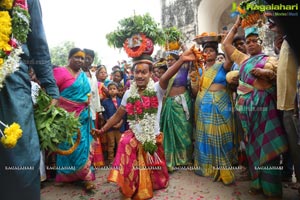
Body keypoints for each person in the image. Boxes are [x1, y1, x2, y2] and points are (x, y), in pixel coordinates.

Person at [93, 47, 199, 199]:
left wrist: (181, 60)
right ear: (132, 74)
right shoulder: (129, 93)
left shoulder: (157, 89)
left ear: (151, 74)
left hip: (152, 136)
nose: (140, 75)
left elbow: (166, 77)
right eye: (137, 72)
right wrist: (102, 130)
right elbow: (118, 115)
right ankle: (130, 186)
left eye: (144, 72)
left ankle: (146, 182)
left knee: (156, 177)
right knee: (125, 141)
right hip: (135, 134)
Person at [223, 16, 288, 198]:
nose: (250, 44)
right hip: (246, 113)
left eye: (254, 41)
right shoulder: (243, 59)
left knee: (267, 145)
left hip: (266, 111)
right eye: (248, 41)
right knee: (252, 147)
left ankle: (272, 189)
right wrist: (237, 25)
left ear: (261, 42)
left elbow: (276, 76)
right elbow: (226, 44)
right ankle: (257, 183)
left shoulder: (271, 59)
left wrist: (264, 73)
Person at [0, 0, 59, 199]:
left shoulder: (26, 1)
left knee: (20, 162)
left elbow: (38, 45)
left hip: (12, 81)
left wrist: (50, 87)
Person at [191, 34, 236, 185]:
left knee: (222, 136)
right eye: (206, 51)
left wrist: (225, 42)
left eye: (211, 50)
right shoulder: (200, 70)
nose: (208, 53)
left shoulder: (222, 66)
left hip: (221, 104)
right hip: (204, 105)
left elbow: (230, 58)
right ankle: (208, 166)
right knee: (207, 136)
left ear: (216, 53)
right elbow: (196, 91)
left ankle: (224, 166)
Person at [53, 48, 96, 191]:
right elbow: (51, 93)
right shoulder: (59, 72)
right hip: (64, 118)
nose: (80, 60)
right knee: (65, 146)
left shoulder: (83, 75)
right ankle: (64, 176)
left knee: (83, 145)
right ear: (69, 58)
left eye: (82, 58)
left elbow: (86, 94)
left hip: (82, 117)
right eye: (76, 57)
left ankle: (86, 177)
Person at [268, 16, 300, 191]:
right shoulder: (286, 41)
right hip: (285, 104)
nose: (273, 26)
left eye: (275, 21)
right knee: (293, 147)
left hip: (293, 103)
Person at [160, 51, 193, 172]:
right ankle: (172, 160)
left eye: (171, 59)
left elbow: (191, 54)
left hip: (183, 103)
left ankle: (185, 159)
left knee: (185, 129)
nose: (169, 61)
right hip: (170, 103)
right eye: (167, 59)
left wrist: (181, 46)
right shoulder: (166, 72)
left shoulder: (184, 68)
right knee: (170, 132)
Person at [83, 48, 105, 167]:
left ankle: (91, 162)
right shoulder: (78, 74)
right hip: (80, 110)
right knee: (82, 137)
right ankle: (83, 163)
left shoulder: (93, 75)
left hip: (91, 111)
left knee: (91, 136)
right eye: (85, 58)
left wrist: (99, 111)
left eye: (89, 59)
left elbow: (96, 94)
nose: (87, 60)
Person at [102, 81, 126, 165]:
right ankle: (111, 159)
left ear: (117, 90)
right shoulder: (105, 102)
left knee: (120, 143)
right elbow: (104, 113)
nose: (112, 90)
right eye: (110, 89)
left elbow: (123, 113)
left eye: (114, 89)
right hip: (110, 127)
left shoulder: (121, 101)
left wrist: (121, 122)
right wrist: (108, 121)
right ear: (107, 91)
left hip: (120, 126)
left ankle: (120, 159)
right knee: (111, 144)